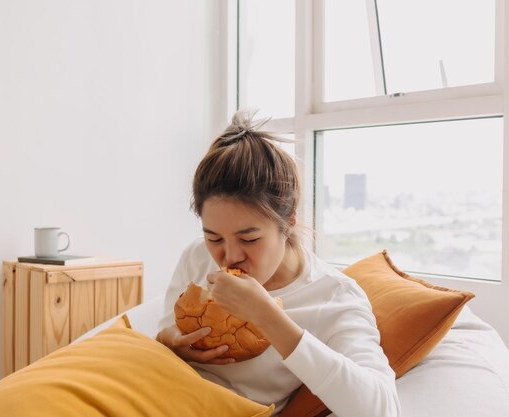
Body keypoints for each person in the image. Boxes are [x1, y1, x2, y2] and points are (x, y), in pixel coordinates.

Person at [156, 111, 401, 417]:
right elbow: (164, 331)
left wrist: (267, 317)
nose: (229, 257)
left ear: (288, 224)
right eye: (214, 238)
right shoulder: (196, 256)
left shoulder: (333, 297)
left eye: (249, 239)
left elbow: (382, 409)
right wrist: (170, 341)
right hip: (158, 396)